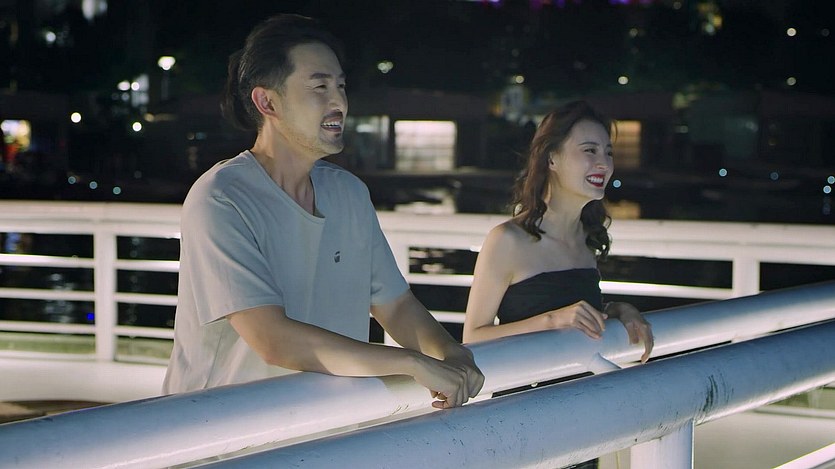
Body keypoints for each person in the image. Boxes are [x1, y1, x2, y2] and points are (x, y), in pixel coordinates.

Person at [162, 14, 483, 410]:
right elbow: (272, 338)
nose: (339, 102)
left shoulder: (348, 194)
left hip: (324, 419)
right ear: (267, 102)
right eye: (320, 87)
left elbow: (396, 304)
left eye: (341, 86)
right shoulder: (222, 197)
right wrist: (412, 363)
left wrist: (450, 353)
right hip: (222, 427)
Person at [463, 100, 653, 367]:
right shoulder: (508, 239)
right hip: (530, 390)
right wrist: (551, 321)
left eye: (608, 152)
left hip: (583, 386)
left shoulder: (586, 239)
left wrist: (616, 310)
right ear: (552, 158)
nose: (604, 164)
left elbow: (578, 319)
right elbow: (472, 338)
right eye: (590, 150)